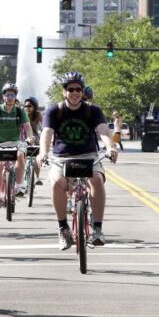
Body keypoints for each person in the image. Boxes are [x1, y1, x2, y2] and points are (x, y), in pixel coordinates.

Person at [37, 71, 118, 249]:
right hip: (62, 158)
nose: (75, 93)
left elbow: (103, 130)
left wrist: (110, 147)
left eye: (78, 89)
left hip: (88, 156)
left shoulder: (93, 111)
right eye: (71, 89)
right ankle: (63, 228)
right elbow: (47, 133)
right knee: (58, 183)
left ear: (82, 92)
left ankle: (97, 229)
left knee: (96, 180)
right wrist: (43, 152)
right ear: (64, 91)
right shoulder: (54, 110)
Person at [0, 82, 35, 206]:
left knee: (20, 155)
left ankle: (19, 186)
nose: (10, 98)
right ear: (3, 96)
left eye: (13, 95)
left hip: (15, 142)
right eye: (8, 95)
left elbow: (27, 126)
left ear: (15, 97)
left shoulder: (20, 111)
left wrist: (30, 137)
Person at [23, 96, 43, 184]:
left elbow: (43, 128)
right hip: (23, 140)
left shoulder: (38, 116)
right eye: (26, 106)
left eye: (30, 106)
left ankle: (37, 178)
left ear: (34, 107)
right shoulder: (22, 115)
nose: (27, 108)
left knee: (35, 161)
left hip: (35, 141)